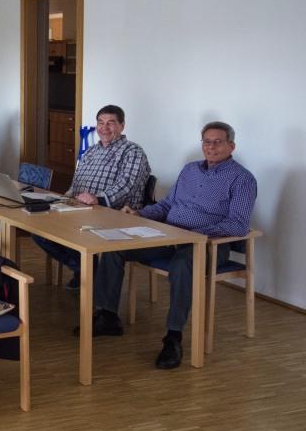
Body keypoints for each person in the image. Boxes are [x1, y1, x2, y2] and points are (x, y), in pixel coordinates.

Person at [91, 121, 257, 369]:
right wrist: (140, 213)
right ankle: (107, 316)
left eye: (218, 142)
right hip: (170, 236)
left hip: (209, 245)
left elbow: (238, 224)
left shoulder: (242, 179)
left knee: (182, 266)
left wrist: (195, 234)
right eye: (207, 142)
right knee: (115, 247)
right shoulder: (190, 170)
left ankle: (173, 337)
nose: (211, 147)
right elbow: (167, 205)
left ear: (231, 146)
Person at [33, 105, 152, 289]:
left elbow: (127, 185)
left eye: (111, 123)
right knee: (40, 230)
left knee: (69, 230)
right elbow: (76, 184)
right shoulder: (90, 152)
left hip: (116, 213)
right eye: (101, 123)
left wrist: (100, 199)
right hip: (82, 210)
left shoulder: (133, 152)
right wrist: (62, 200)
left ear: (122, 126)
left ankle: (87, 272)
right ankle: (84, 268)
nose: (104, 128)